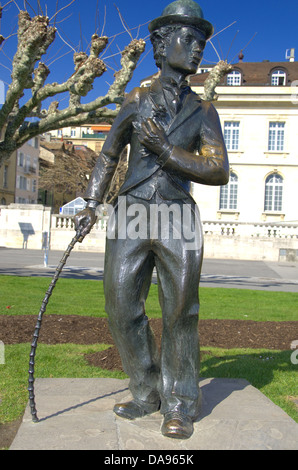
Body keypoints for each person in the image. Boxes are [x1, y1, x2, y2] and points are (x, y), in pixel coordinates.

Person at [74, 0, 229, 439]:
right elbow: (107, 154)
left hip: (178, 215)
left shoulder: (204, 112)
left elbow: (218, 170)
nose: (197, 49)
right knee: (120, 305)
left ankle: (178, 403)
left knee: (180, 309)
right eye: (188, 39)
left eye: (201, 41)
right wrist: (90, 202)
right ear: (162, 45)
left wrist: (167, 152)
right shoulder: (136, 100)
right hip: (131, 212)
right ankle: (146, 391)